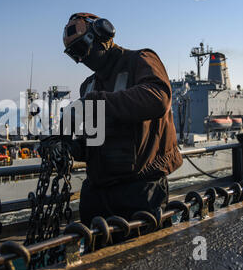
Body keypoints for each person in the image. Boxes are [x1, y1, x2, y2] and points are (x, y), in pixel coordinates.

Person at [59, 12, 183, 230]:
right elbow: (94, 140)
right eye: (73, 55)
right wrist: (73, 147)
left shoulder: (140, 60)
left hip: (139, 190)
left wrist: (98, 101)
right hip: (98, 193)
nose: (81, 59)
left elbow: (158, 98)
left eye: (81, 49)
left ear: (102, 33)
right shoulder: (88, 85)